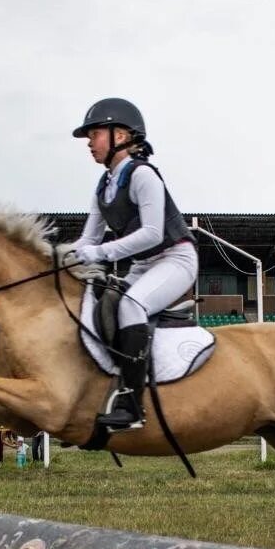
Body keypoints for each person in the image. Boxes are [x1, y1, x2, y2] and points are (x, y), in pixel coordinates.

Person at [64, 98, 199, 432]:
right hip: (144, 265)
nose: (89, 143)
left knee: (131, 306)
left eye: (94, 134)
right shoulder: (103, 186)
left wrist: (101, 254)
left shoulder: (142, 175)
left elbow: (152, 234)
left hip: (175, 258)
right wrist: (55, 257)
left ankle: (132, 404)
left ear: (120, 135)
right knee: (98, 304)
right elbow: (87, 240)